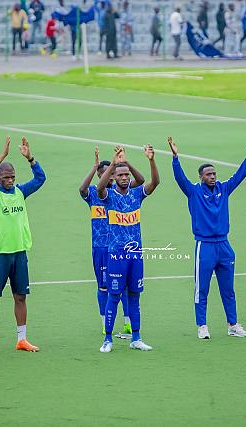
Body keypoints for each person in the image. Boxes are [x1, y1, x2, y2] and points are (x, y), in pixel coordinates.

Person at [169, 135, 246, 340]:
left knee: (228, 289)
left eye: (214, 173)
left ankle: (233, 324)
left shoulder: (223, 189)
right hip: (205, 246)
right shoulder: (193, 192)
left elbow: (239, 175)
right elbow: (180, 179)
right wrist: (175, 158)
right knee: (202, 289)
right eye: (208, 174)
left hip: (224, 246)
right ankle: (202, 325)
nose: (213, 177)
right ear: (201, 177)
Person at [0, 136, 46, 355]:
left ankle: (22, 339)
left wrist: (30, 158)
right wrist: (1, 157)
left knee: (20, 297)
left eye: (12, 177)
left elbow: (41, 178)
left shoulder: (20, 191)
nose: (10, 180)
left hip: (19, 253)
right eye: (6, 177)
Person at [96, 146, 159, 353]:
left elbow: (153, 182)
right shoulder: (109, 196)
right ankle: (107, 339)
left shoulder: (136, 194)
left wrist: (149, 160)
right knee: (114, 296)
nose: (124, 178)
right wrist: (113, 164)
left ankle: (136, 338)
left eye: (126, 175)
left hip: (136, 255)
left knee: (134, 296)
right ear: (113, 177)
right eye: (120, 175)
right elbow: (99, 188)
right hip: (116, 255)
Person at [80, 147, 145, 336]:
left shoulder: (122, 192)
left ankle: (127, 322)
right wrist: (95, 167)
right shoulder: (95, 193)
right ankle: (105, 323)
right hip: (101, 247)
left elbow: (141, 181)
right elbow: (82, 189)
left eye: (110, 174)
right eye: (104, 174)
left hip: (120, 247)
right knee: (104, 286)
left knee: (125, 287)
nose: (108, 177)